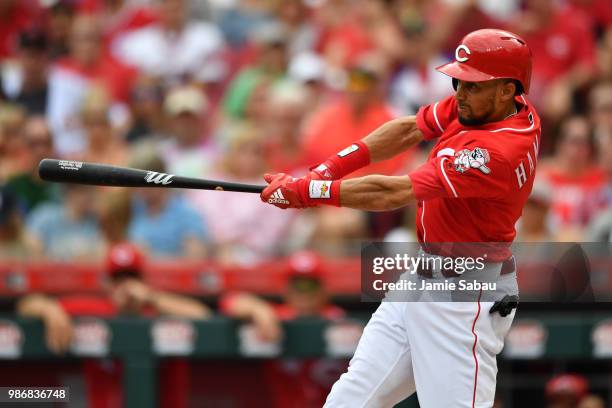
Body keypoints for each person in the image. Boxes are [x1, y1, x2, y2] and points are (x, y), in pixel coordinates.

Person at [261, 28, 540, 407]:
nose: (461, 92)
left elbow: (393, 192)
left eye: (474, 85)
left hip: (462, 293)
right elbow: (409, 128)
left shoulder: (494, 152)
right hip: (425, 274)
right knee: (349, 401)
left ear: (508, 88)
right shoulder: (495, 107)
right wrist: (323, 171)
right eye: (460, 81)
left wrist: (307, 193)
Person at [16, 242, 211, 408]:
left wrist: (151, 298)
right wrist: (51, 310)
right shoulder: (96, 310)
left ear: (143, 281)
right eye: (118, 279)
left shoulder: (162, 310)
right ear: (107, 284)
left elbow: (204, 316)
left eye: (131, 277)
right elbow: (26, 304)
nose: (126, 285)